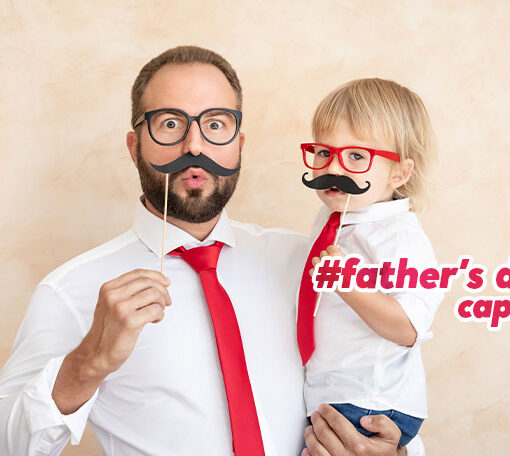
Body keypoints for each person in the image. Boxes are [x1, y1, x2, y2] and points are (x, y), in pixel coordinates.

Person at [0, 46, 409, 455]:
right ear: (133, 145)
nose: (194, 145)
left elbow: (375, 371)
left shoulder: (307, 264)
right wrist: (88, 363)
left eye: (216, 124)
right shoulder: (69, 291)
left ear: (239, 144)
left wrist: (396, 450)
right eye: (170, 123)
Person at [297, 79, 443, 448]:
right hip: (330, 393)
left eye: (356, 156)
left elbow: (409, 327)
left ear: (399, 173)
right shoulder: (333, 217)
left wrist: (349, 285)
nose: (333, 168)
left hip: (369, 403)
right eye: (323, 152)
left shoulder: (397, 235)